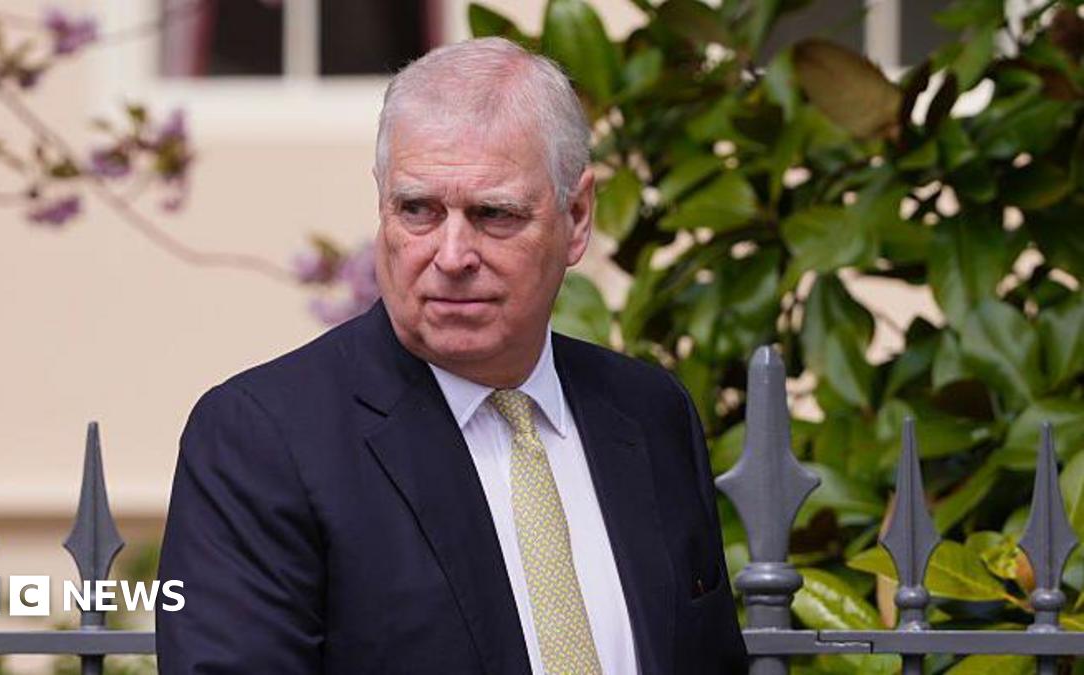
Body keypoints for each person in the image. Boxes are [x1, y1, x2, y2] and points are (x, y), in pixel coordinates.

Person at [156, 37, 747, 674]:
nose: (452, 255)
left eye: (494, 214)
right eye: (418, 210)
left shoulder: (649, 413)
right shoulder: (264, 439)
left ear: (576, 218)